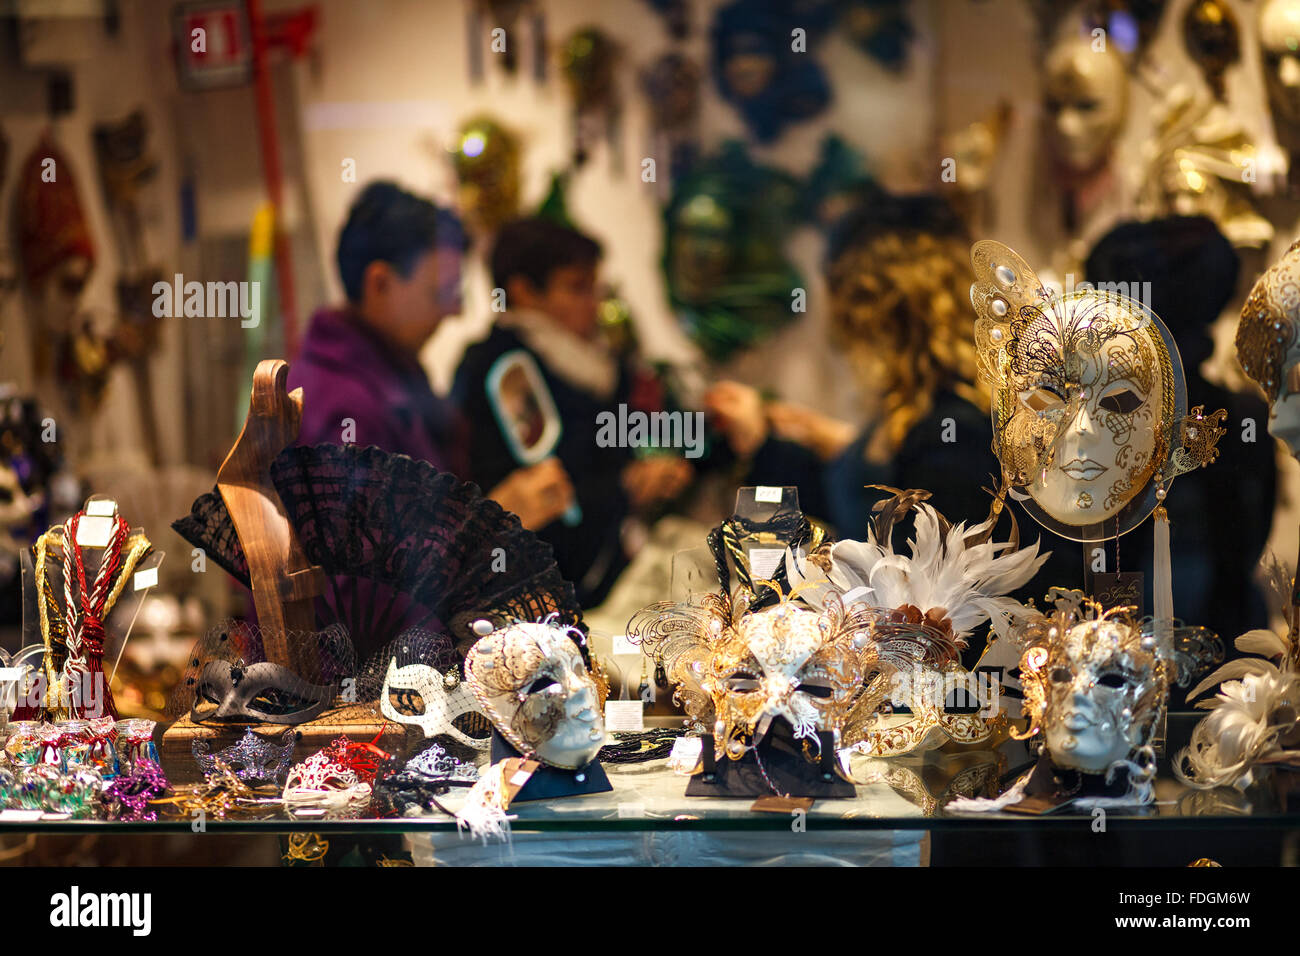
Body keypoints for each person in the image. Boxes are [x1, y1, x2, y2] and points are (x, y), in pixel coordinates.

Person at [289, 182, 574, 533]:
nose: (454, 311)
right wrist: (488, 527)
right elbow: (364, 583)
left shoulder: (392, 374)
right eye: (441, 293)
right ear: (380, 284)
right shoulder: (344, 407)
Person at [453, 218, 692, 606]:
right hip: (554, 595)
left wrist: (666, 461)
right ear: (524, 291)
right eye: (577, 287)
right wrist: (624, 488)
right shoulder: (502, 371)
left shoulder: (597, 363)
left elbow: (631, 437)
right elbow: (536, 498)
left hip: (616, 566)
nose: (595, 302)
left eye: (594, 286)